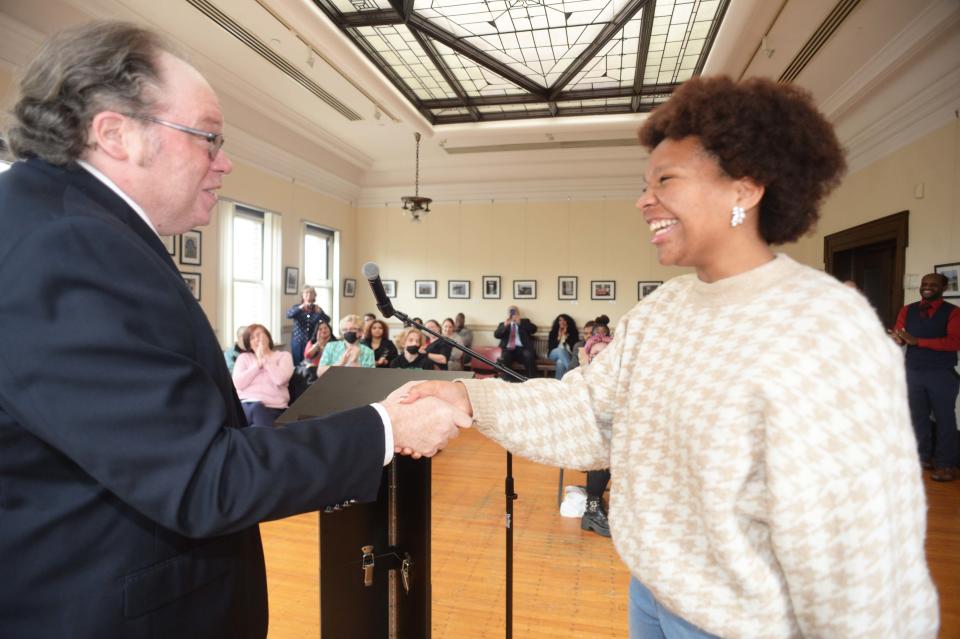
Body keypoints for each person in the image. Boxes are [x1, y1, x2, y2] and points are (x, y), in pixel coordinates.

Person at [403, 76, 937, 637]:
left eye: (666, 180)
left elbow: (864, 551)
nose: (643, 200)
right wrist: (468, 396)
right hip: (651, 595)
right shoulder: (662, 311)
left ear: (745, 190)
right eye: (644, 183)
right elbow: (590, 411)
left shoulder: (824, 325)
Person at [0, 22, 468, 637]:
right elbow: (199, 478)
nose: (225, 162)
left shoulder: (60, 222)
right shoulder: (69, 243)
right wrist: (388, 426)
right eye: (208, 138)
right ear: (115, 133)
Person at [890, 272, 960, 481]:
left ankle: (946, 464)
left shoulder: (954, 312)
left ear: (943, 288)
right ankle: (922, 457)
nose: (927, 287)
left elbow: (955, 342)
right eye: (924, 283)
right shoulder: (907, 310)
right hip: (913, 371)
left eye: (933, 284)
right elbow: (901, 337)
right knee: (918, 417)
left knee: (945, 419)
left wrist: (917, 341)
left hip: (941, 374)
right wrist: (896, 338)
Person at [232, 324, 294, 428]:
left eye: (259, 335)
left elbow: (280, 380)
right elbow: (237, 384)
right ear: (249, 344)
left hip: (276, 407)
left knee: (260, 420)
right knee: (257, 408)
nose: (256, 339)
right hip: (247, 406)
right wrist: (257, 365)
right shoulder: (244, 358)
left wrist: (265, 360)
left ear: (267, 336)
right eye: (252, 338)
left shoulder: (283, 356)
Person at [285, 285, 329, 366]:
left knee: (310, 363)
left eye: (311, 293)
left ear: (314, 296)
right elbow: (288, 315)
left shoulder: (317, 309)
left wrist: (320, 313)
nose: (309, 295)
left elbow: (327, 320)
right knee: (297, 364)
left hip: (311, 342)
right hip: (298, 342)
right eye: (306, 293)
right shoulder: (296, 307)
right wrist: (300, 308)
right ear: (302, 295)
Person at [494, 305, 537, 378]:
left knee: (528, 355)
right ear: (508, 314)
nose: (512, 314)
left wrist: (520, 323)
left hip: (522, 349)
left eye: (514, 312)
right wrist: (505, 326)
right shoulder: (503, 324)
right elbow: (496, 335)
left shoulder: (525, 321)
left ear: (518, 314)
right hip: (508, 349)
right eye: (511, 312)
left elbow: (534, 329)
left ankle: (531, 379)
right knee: (504, 357)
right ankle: (507, 380)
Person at [546, 314, 579, 379]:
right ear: (558, 322)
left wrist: (566, 336)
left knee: (560, 362)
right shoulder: (553, 332)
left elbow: (573, 348)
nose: (562, 322)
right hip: (553, 355)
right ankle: (573, 373)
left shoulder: (573, 332)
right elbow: (550, 347)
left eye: (564, 320)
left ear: (568, 322)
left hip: (568, 355)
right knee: (560, 350)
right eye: (560, 320)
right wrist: (559, 337)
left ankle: (559, 383)